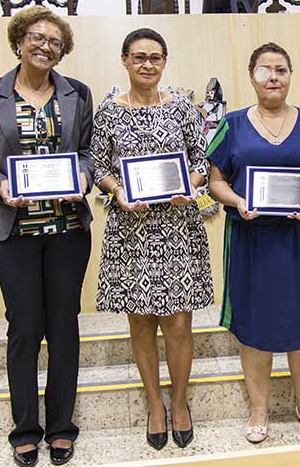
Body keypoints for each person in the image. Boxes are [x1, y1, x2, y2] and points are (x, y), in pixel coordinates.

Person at [0, 5, 93, 467]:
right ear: (19, 40)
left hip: (68, 231)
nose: (45, 46)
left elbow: (90, 154)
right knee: (24, 329)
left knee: (63, 328)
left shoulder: (78, 94)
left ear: (63, 50)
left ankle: (61, 428)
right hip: (13, 232)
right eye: (37, 37)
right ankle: (25, 429)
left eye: (55, 41)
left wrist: (84, 178)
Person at [207, 42, 300, 443]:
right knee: (254, 329)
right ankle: (259, 410)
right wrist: (238, 201)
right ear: (251, 76)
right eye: (264, 70)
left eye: (281, 69)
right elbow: (216, 181)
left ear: (290, 75)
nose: (273, 77)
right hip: (253, 243)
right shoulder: (232, 124)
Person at [90, 28, 213, 450]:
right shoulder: (108, 111)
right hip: (131, 230)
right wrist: (116, 191)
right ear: (124, 60)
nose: (147, 64)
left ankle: (179, 403)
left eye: (156, 57)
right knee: (140, 322)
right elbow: (98, 166)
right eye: (139, 57)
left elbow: (201, 159)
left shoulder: (181, 108)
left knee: (179, 324)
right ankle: (155, 405)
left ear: (165, 62)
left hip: (177, 227)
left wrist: (190, 183)